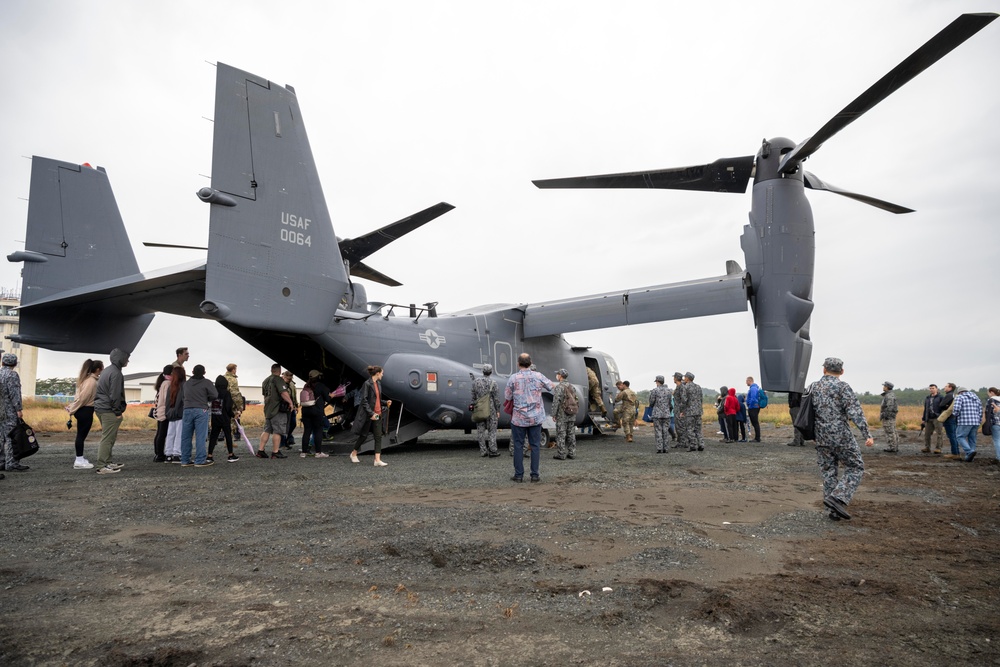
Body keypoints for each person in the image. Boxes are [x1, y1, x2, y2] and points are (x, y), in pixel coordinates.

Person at [808, 357, 874, 521]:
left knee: (829, 472)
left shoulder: (813, 387)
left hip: (821, 436)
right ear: (842, 372)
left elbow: (806, 412)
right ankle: (838, 498)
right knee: (855, 466)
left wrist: (811, 434)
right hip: (841, 436)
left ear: (824, 369)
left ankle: (833, 510)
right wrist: (867, 434)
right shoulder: (843, 387)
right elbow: (855, 412)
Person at [504, 353, 554, 482]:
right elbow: (551, 386)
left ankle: (519, 475)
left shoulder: (513, 378)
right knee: (535, 446)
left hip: (519, 418)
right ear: (531, 363)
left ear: (518, 363)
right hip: (536, 417)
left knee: (518, 446)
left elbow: (508, 397)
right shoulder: (538, 376)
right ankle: (535, 475)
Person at [93, 348, 130, 475]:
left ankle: (107, 462)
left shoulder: (107, 371)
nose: (128, 361)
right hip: (109, 409)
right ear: (121, 359)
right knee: (108, 438)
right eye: (126, 358)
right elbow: (115, 394)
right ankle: (102, 465)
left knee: (109, 437)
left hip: (101, 407)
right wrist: (117, 411)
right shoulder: (116, 373)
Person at [65, 358, 104, 469]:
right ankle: (79, 460)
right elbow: (83, 398)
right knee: (81, 436)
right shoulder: (91, 382)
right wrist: (72, 409)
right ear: (97, 369)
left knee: (80, 435)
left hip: (84, 410)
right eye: (102, 368)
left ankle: (80, 458)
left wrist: (73, 408)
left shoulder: (87, 380)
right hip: (85, 410)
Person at [349, 365, 392, 466]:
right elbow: (364, 401)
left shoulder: (378, 384)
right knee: (363, 435)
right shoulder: (367, 384)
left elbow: (377, 400)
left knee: (378, 436)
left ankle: (377, 460)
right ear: (377, 373)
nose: (383, 375)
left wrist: (385, 402)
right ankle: (354, 453)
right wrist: (371, 413)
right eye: (382, 373)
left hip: (378, 414)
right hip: (369, 414)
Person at [179, 364, 218, 467]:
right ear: (204, 372)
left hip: (187, 409)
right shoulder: (207, 383)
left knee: (186, 436)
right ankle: (200, 460)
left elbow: (183, 396)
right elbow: (215, 394)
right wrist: (207, 398)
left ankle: (185, 459)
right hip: (201, 409)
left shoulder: (186, 384)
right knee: (200, 436)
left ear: (192, 371)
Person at [0, 353, 29, 473]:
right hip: (9, 410)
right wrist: (19, 409)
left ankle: (1, 461)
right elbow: (14, 393)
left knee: (1, 436)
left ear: (2, 362)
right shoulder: (12, 375)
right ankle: (11, 462)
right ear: (15, 363)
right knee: (12, 435)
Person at [259, 364, 294, 459]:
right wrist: (290, 402)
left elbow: (264, 394)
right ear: (279, 370)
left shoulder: (265, 381)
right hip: (277, 409)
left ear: (271, 370)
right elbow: (283, 392)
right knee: (277, 431)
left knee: (267, 430)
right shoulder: (278, 379)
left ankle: (260, 450)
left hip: (268, 409)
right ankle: (275, 451)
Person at [300, 370, 333, 458]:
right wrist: (331, 396)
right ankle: (318, 452)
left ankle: (304, 452)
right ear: (319, 377)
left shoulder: (306, 386)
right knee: (318, 431)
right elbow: (328, 399)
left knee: (307, 431)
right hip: (317, 411)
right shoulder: (321, 386)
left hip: (305, 410)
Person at [471, 364, 501, 457]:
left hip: (479, 408)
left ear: (482, 371)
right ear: (491, 372)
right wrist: (498, 410)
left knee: (480, 430)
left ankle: (483, 451)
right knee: (492, 430)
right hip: (491, 408)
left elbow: (473, 396)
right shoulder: (493, 382)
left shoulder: (475, 382)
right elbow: (496, 399)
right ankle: (493, 450)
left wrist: (474, 406)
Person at [209, 375, 237, 462]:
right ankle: (230, 455)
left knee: (213, 436)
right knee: (228, 435)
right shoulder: (226, 393)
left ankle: (209, 455)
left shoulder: (213, 392)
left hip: (215, 417)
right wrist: (233, 415)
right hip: (224, 418)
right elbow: (228, 407)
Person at [551, 369, 578, 460]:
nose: (557, 376)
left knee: (561, 434)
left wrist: (553, 414)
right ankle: (572, 453)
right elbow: (576, 400)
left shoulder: (559, 387)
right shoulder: (572, 387)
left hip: (562, 415)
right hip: (572, 413)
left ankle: (561, 454)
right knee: (571, 434)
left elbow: (556, 402)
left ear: (560, 376)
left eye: (557, 374)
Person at [951, 386, 982, 463]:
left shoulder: (960, 397)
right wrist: (979, 420)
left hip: (964, 421)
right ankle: (970, 457)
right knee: (972, 439)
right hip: (975, 421)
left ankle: (969, 451)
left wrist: (955, 415)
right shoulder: (976, 398)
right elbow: (980, 410)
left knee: (960, 437)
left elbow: (956, 409)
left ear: (959, 392)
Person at [163, 367, 186, 463]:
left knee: (170, 433)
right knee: (179, 434)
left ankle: (168, 454)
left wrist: (168, 412)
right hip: (180, 413)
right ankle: (177, 454)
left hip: (171, 413)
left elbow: (167, 401)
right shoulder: (184, 385)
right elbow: (183, 400)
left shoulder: (171, 386)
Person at [677, 372, 704, 452]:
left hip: (689, 411)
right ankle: (701, 444)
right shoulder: (698, 387)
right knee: (698, 429)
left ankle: (693, 445)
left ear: (688, 378)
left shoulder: (686, 387)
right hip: (698, 411)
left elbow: (684, 400)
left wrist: (682, 410)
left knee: (690, 428)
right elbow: (701, 399)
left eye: (685, 377)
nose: (684, 378)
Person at [151, 364, 173, 463]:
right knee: (162, 433)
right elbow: (166, 399)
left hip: (160, 411)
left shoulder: (163, 382)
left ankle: (158, 453)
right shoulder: (168, 383)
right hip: (164, 411)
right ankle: (160, 454)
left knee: (160, 433)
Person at [648, 375, 673, 454]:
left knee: (658, 431)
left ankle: (659, 448)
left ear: (657, 381)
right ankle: (666, 448)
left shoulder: (654, 391)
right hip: (666, 413)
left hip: (657, 413)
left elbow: (651, 402)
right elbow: (670, 403)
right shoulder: (669, 391)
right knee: (665, 431)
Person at [920, 384, 944, 454]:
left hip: (937, 418)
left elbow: (943, 408)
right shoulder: (927, 398)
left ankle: (938, 448)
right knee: (927, 434)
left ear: (937, 389)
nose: (931, 389)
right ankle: (927, 447)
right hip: (928, 418)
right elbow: (925, 409)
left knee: (939, 433)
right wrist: (923, 419)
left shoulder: (941, 397)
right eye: (930, 388)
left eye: (933, 388)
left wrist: (941, 416)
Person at [938, 383, 960, 457]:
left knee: (951, 436)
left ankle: (954, 453)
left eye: (946, 386)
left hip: (948, 418)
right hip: (953, 417)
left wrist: (945, 406)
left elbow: (941, 405)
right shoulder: (954, 395)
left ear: (950, 388)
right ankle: (956, 452)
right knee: (954, 435)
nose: (944, 387)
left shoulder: (949, 395)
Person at [280, 370, 299, 449]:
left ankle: (288, 438)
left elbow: (294, 395)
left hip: (291, 407)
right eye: (288, 379)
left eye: (291, 379)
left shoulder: (291, 384)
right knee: (284, 425)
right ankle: (283, 443)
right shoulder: (280, 384)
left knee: (293, 424)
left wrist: (296, 405)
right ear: (284, 377)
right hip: (284, 407)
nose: (289, 380)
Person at [880, 381, 899, 453]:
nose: (883, 387)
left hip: (888, 417)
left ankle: (892, 447)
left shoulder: (889, 396)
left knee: (890, 431)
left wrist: (885, 415)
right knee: (892, 431)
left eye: (884, 386)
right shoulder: (889, 395)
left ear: (887, 387)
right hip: (890, 416)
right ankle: (894, 446)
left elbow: (889, 407)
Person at [671, 372, 686, 448]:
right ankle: (680, 442)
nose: (673, 379)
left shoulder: (681, 387)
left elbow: (684, 400)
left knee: (681, 427)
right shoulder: (678, 387)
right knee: (678, 427)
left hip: (679, 411)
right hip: (677, 410)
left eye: (674, 377)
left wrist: (682, 411)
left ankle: (683, 443)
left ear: (676, 378)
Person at [746, 376, 762, 442]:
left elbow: (753, 399)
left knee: (755, 423)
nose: (746, 383)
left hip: (753, 408)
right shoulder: (755, 388)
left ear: (749, 381)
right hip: (755, 407)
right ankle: (757, 437)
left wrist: (750, 405)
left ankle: (757, 438)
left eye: (746, 381)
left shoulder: (753, 388)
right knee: (755, 423)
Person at [986, 387, 1000, 462]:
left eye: (988, 393)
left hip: (995, 423)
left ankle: (999, 457)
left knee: (997, 440)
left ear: (991, 392)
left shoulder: (991, 400)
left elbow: (988, 412)